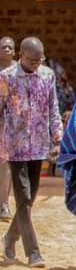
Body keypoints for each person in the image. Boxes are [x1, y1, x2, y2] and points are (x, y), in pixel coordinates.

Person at [0, 37, 62, 268]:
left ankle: (10, 237)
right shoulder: (6, 77)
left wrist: (58, 135)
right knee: (23, 197)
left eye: (40, 59)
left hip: (38, 145)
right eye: (32, 60)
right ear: (21, 55)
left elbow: (53, 107)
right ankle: (33, 252)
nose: (36, 64)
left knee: (30, 197)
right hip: (14, 146)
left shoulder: (47, 75)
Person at [0, 36, 16, 221]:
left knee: (5, 166)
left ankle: (3, 204)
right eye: (3, 47)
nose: (6, 49)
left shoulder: (18, 71)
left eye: (9, 47)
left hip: (11, 125)